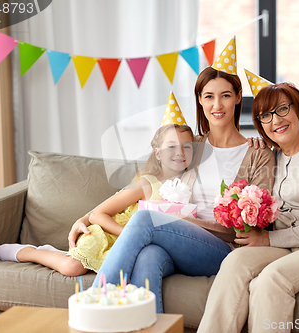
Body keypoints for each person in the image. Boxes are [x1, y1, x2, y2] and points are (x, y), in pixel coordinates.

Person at [68, 43, 275, 312]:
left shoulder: (258, 154)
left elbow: (257, 221)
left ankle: (94, 307)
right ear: (200, 100)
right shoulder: (189, 148)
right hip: (173, 240)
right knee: (148, 256)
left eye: (225, 95)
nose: (217, 104)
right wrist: (83, 219)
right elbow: (145, 181)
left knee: (145, 217)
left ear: (238, 97)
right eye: (209, 96)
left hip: (222, 248)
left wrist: (186, 222)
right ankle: (141, 326)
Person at [197, 82, 299, 333]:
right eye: (266, 116)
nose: (276, 120)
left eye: (283, 109)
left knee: (271, 279)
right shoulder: (272, 156)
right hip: (289, 247)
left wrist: (270, 239)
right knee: (235, 261)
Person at [0, 122, 195, 277]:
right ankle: (32, 252)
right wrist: (129, 234)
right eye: (171, 146)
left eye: (187, 146)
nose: (180, 152)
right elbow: (99, 214)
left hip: (141, 244)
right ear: (158, 153)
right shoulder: (146, 182)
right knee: (72, 267)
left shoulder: (193, 183)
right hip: (107, 234)